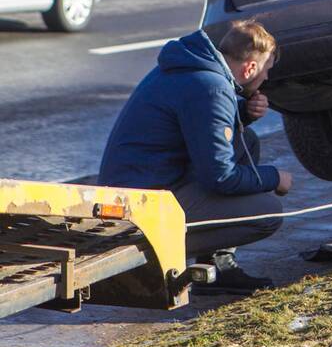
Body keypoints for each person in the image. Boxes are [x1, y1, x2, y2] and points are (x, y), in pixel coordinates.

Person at [99, 20, 292, 295]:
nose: (267, 79)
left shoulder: (193, 70)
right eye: (266, 70)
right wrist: (275, 177)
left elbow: (197, 130)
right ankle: (148, 254)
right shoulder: (212, 89)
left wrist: (243, 113)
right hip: (139, 208)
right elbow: (220, 177)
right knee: (268, 211)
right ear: (250, 68)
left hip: (137, 187)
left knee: (244, 141)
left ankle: (218, 264)